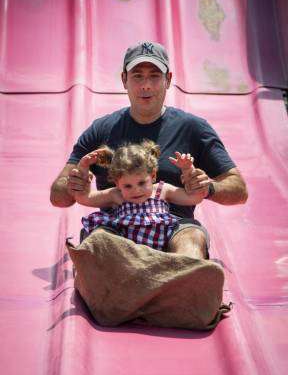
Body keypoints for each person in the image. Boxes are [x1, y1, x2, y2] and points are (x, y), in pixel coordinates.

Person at [50, 41, 248, 258]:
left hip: (174, 227)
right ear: (124, 79)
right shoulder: (101, 130)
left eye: (154, 76)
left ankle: (182, 277)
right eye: (137, 76)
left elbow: (238, 189)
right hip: (116, 227)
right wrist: (74, 184)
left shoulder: (193, 129)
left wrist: (207, 188)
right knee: (98, 243)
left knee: (191, 240)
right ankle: (119, 280)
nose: (146, 85)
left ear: (168, 80)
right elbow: (58, 196)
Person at [73, 140, 207, 251]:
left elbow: (194, 198)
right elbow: (85, 198)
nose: (136, 190)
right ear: (117, 183)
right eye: (128, 186)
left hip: (162, 250)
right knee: (100, 235)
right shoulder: (117, 195)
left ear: (153, 176)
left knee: (183, 241)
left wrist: (187, 169)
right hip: (126, 252)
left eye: (142, 183)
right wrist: (83, 168)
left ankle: (184, 269)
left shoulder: (162, 190)